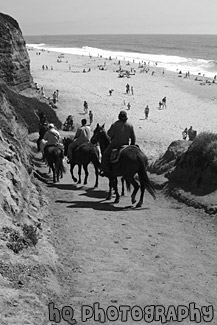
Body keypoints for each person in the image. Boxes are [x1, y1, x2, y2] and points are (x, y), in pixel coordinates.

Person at [100, 110, 136, 176]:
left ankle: (104, 170)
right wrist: (131, 147)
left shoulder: (115, 125)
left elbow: (109, 135)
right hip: (126, 146)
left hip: (115, 145)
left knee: (105, 155)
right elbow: (133, 138)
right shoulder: (130, 125)